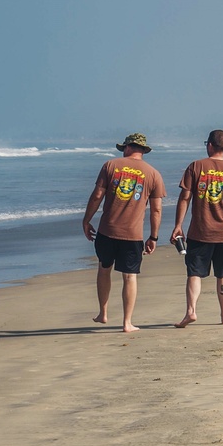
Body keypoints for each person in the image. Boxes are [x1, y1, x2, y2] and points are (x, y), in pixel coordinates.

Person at [82, 133, 166, 332]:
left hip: (107, 230)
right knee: (130, 276)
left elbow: (97, 196)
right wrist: (153, 236)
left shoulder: (110, 165)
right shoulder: (153, 174)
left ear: (128, 147)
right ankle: (127, 322)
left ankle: (103, 313)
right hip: (133, 234)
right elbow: (156, 210)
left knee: (104, 268)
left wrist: (86, 220)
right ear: (143, 151)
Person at [171, 129, 223, 328]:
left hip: (200, 232)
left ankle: (191, 312)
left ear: (210, 145)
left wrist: (178, 225)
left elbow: (185, 198)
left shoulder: (196, 166)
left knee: (194, 273)